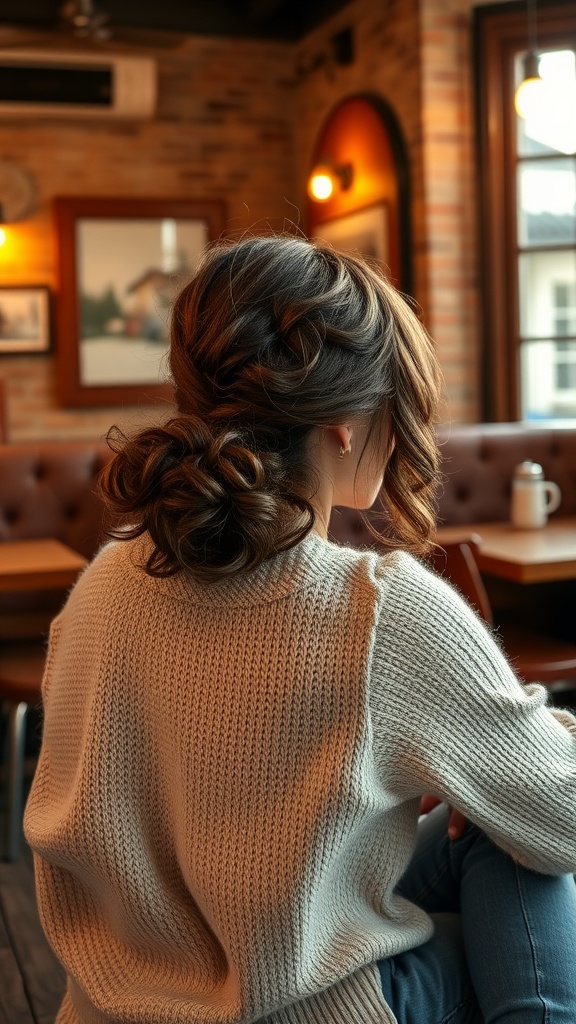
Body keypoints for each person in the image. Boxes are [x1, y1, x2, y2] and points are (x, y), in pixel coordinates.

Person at [24, 235, 576, 1024]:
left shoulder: (103, 583)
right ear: (347, 423)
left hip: (114, 1002)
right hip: (296, 1006)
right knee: (520, 845)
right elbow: (567, 820)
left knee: (493, 827)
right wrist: (502, 764)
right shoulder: (380, 610)